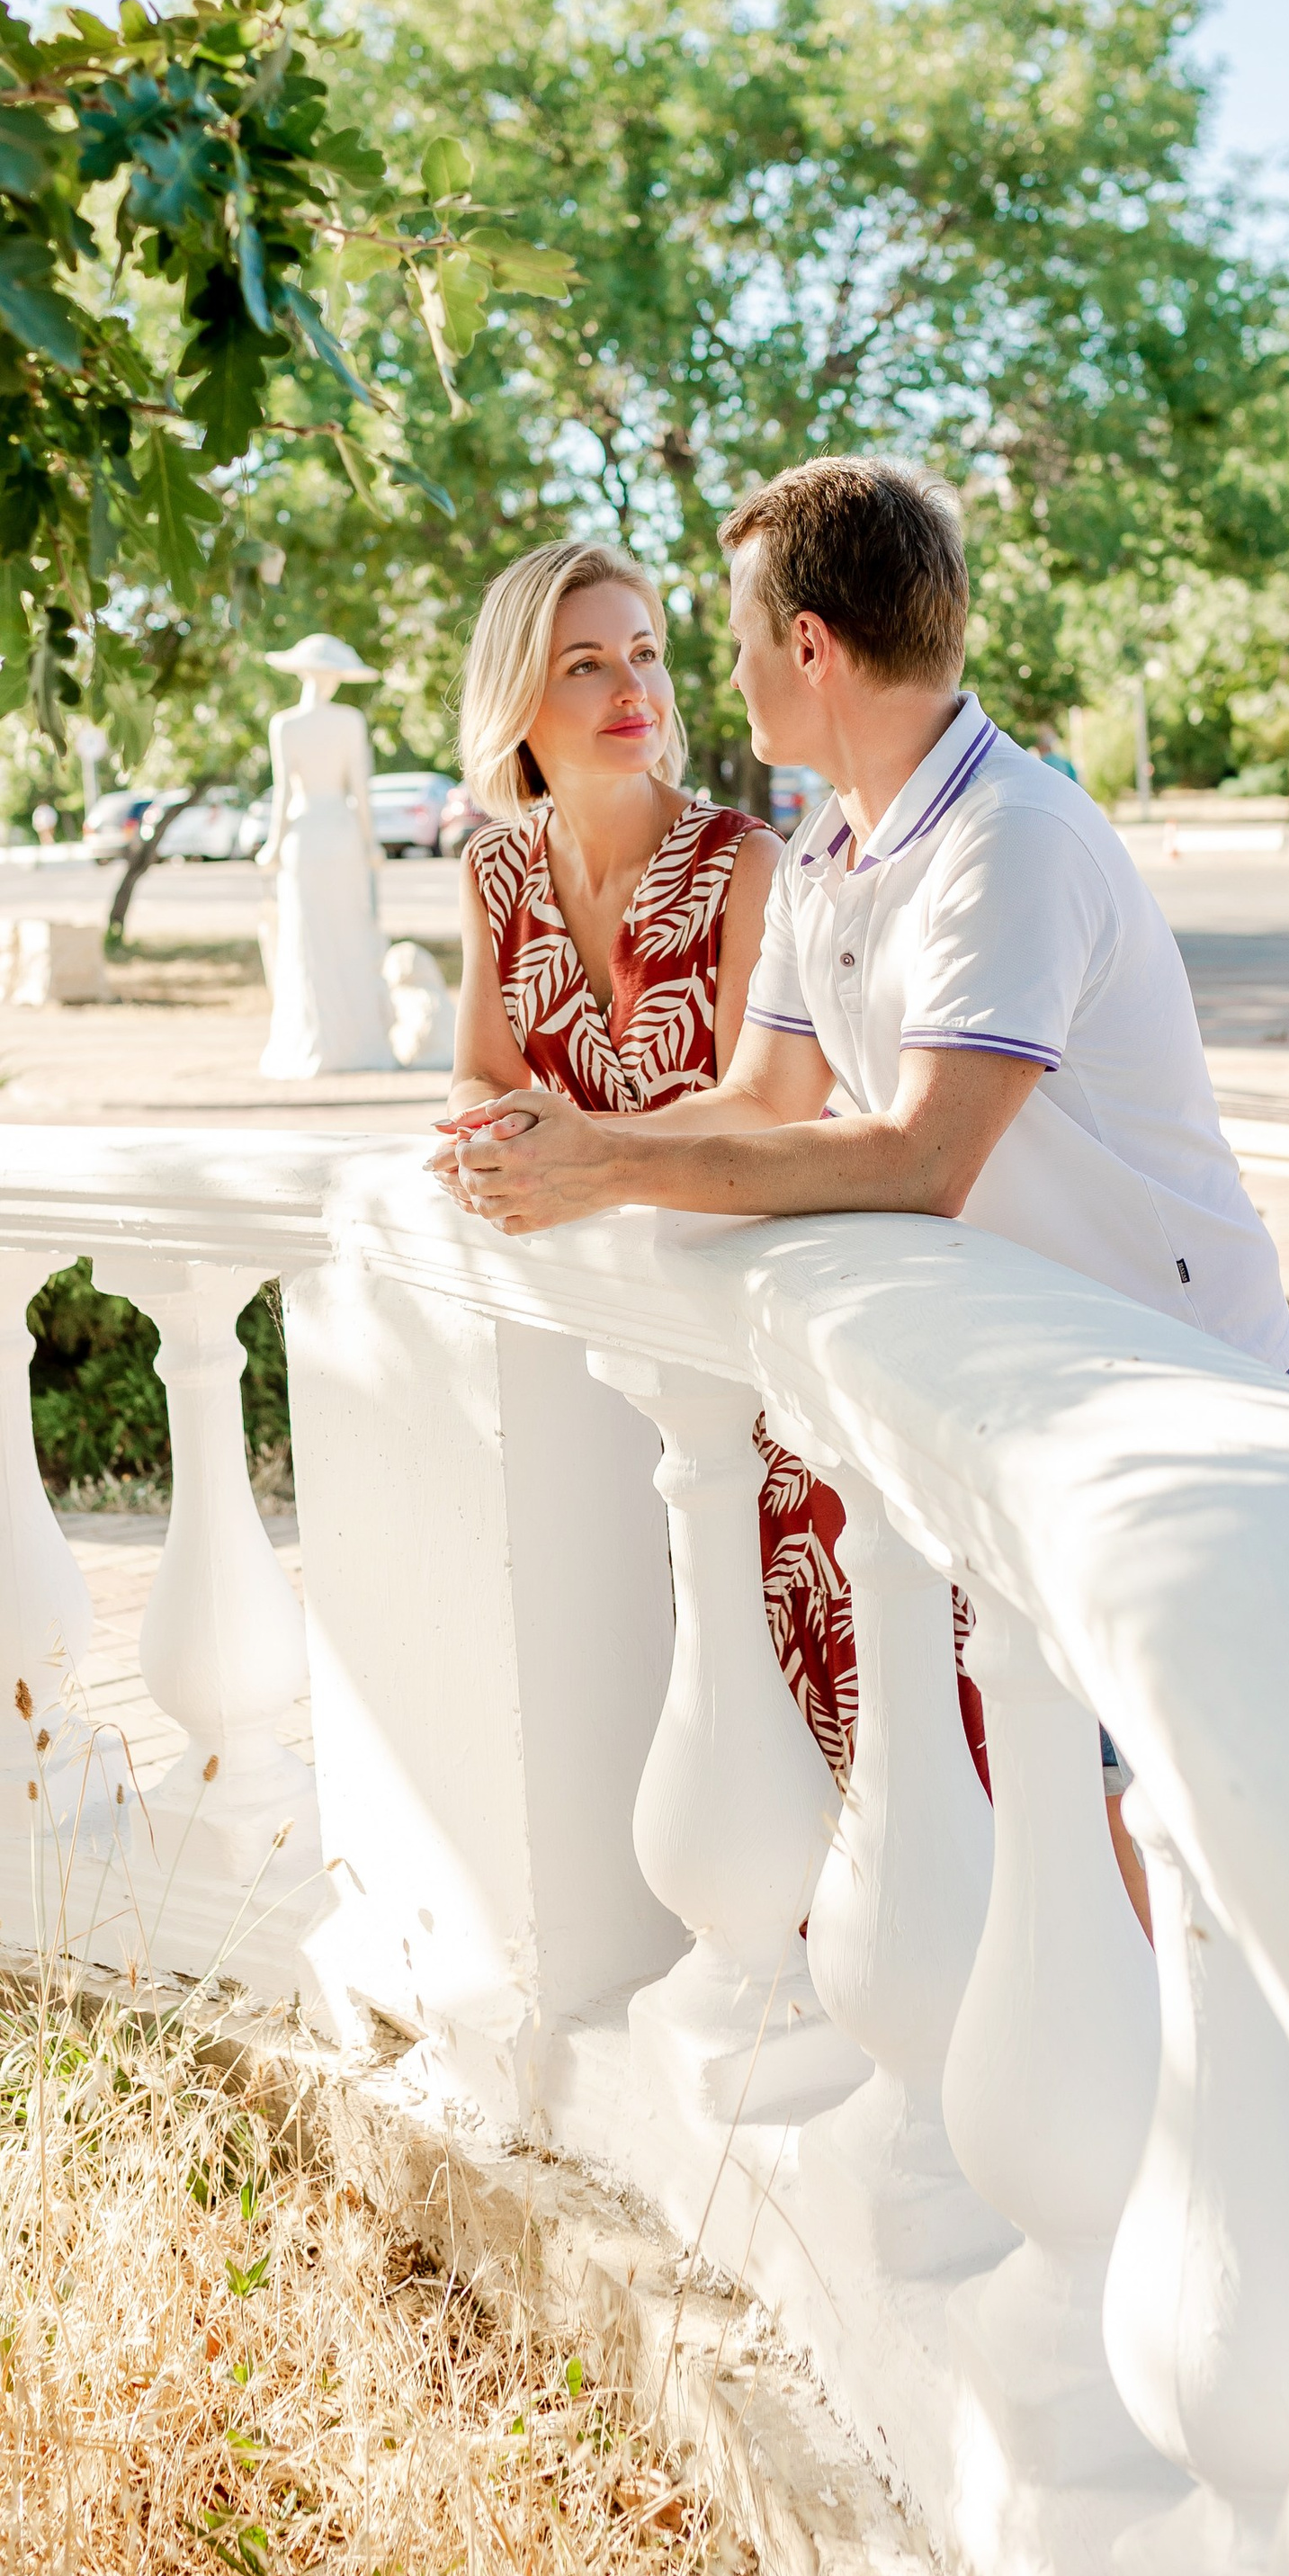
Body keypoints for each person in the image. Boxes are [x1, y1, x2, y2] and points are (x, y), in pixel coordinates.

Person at [440, 461, 1289, 1929]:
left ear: (809, 649)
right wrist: (564, 1151)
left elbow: (919, 1153)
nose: (705, 673)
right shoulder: (842, 851)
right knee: (1081, 1859)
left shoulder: (1010, 842)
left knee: (1218, 1880)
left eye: (715, 637)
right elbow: (763, 1101)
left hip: (1183, 1412)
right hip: (1026, 1412)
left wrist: (615, 1158)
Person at [446, 536, 985, 1787]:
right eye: (586, 665)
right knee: (660, 1700)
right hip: (598, 1345)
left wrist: (583, 1152)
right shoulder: (493, 871)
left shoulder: (743, 862)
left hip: (749, 1323)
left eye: (644, 653)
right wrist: (499, 1139)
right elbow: (479, 1070)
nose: (633, 689)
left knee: (843, 1679)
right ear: (519, 698)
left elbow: (765, 1107)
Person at [255, 632, 395, 1079]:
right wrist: (371, 843)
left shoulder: (286, 725)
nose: (333, 683)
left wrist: (273, 846)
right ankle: (350, 1041)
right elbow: (360, 791)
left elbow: (283, 795)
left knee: (314, 935)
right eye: (332, 675)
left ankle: (327, 1039)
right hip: (339, 834)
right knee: (340, 931)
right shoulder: (347, 722)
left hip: (307, 835)